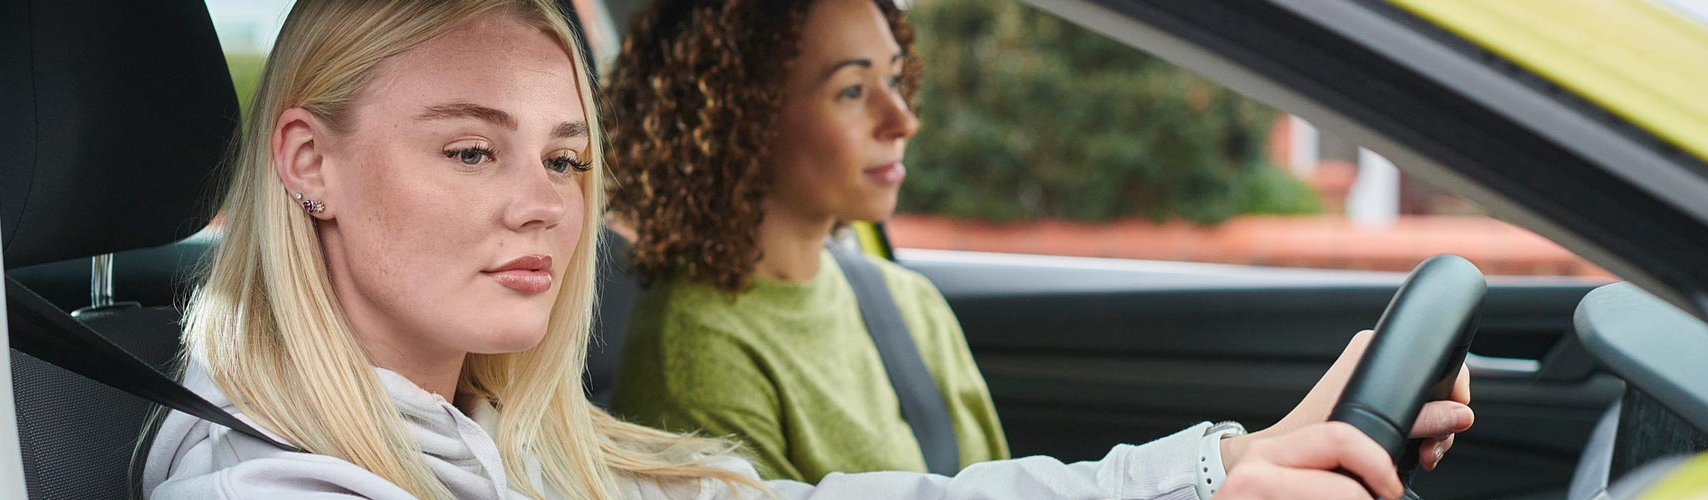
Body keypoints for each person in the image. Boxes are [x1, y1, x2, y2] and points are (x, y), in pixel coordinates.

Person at [141, 0, 1463, 498]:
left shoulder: (498, 443)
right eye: (472, 150)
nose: (544, 204)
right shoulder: (276, 485)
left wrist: (1218, 469)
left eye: (563, 156)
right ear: (307, 161)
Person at [603, 0, 1473, 494]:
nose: (901, 120)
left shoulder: (898, 298)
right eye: (852, 92)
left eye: (897, 84)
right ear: (737, 121)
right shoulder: (691, 348)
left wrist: (1241, 457)